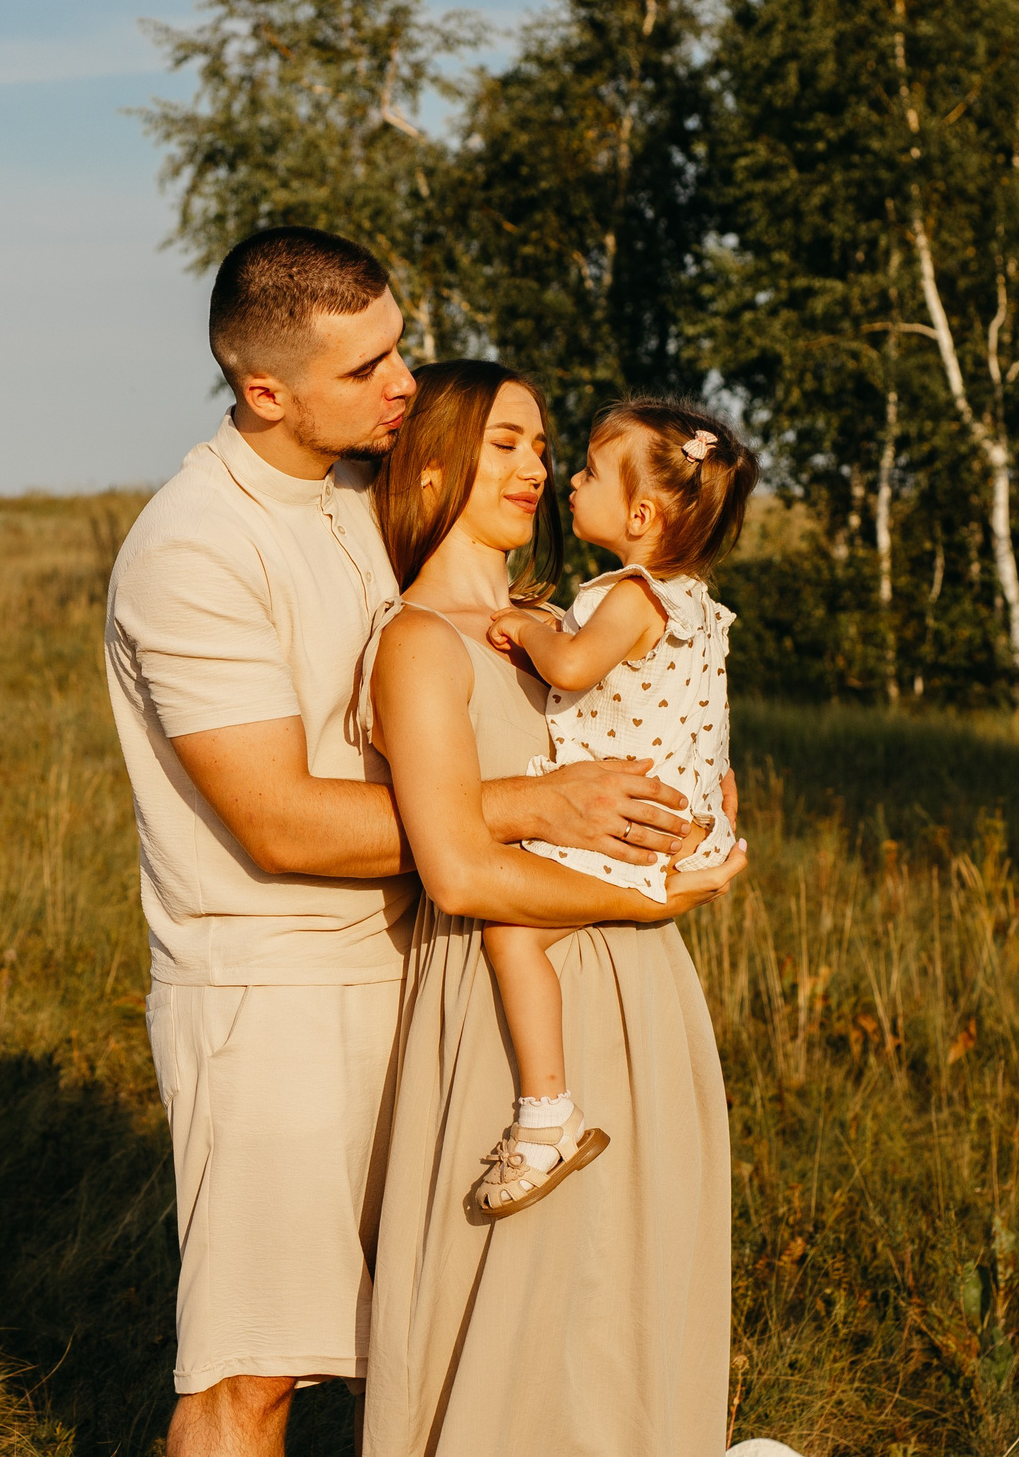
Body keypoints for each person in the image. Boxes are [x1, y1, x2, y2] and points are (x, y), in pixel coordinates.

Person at [102, 229, 719, 1457]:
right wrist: (527, 808)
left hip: (428, 965)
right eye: (366, 368)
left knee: (433, 1329)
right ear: (264, 391)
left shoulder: (359, 499)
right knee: (256, 1369)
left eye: (399, 349)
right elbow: (279, 821)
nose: (401, 384)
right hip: (275, 996)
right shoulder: (195, 549)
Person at [359, 360, 744, 1457]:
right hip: (512, 1009)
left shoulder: (560, 623)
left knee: (620, 1329)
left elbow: (664, 739)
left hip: (639, 994)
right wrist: (653, 894)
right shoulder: (422, 639)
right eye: (506, 444)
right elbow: (461, 875)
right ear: (431, 467)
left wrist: (694, 812)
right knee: (520, 1339)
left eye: (541, 445)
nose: (536, 466)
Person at [468, 398, 760, 1216]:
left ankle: (545, 1117)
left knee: (511, 934)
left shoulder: (630, 596)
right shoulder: (695, 601)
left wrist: (526, 628)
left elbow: (569, 666)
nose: (568, 479)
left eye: (590, 472)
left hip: (630, 824)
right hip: (687, 817)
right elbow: (704, 714)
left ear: (639, 516)